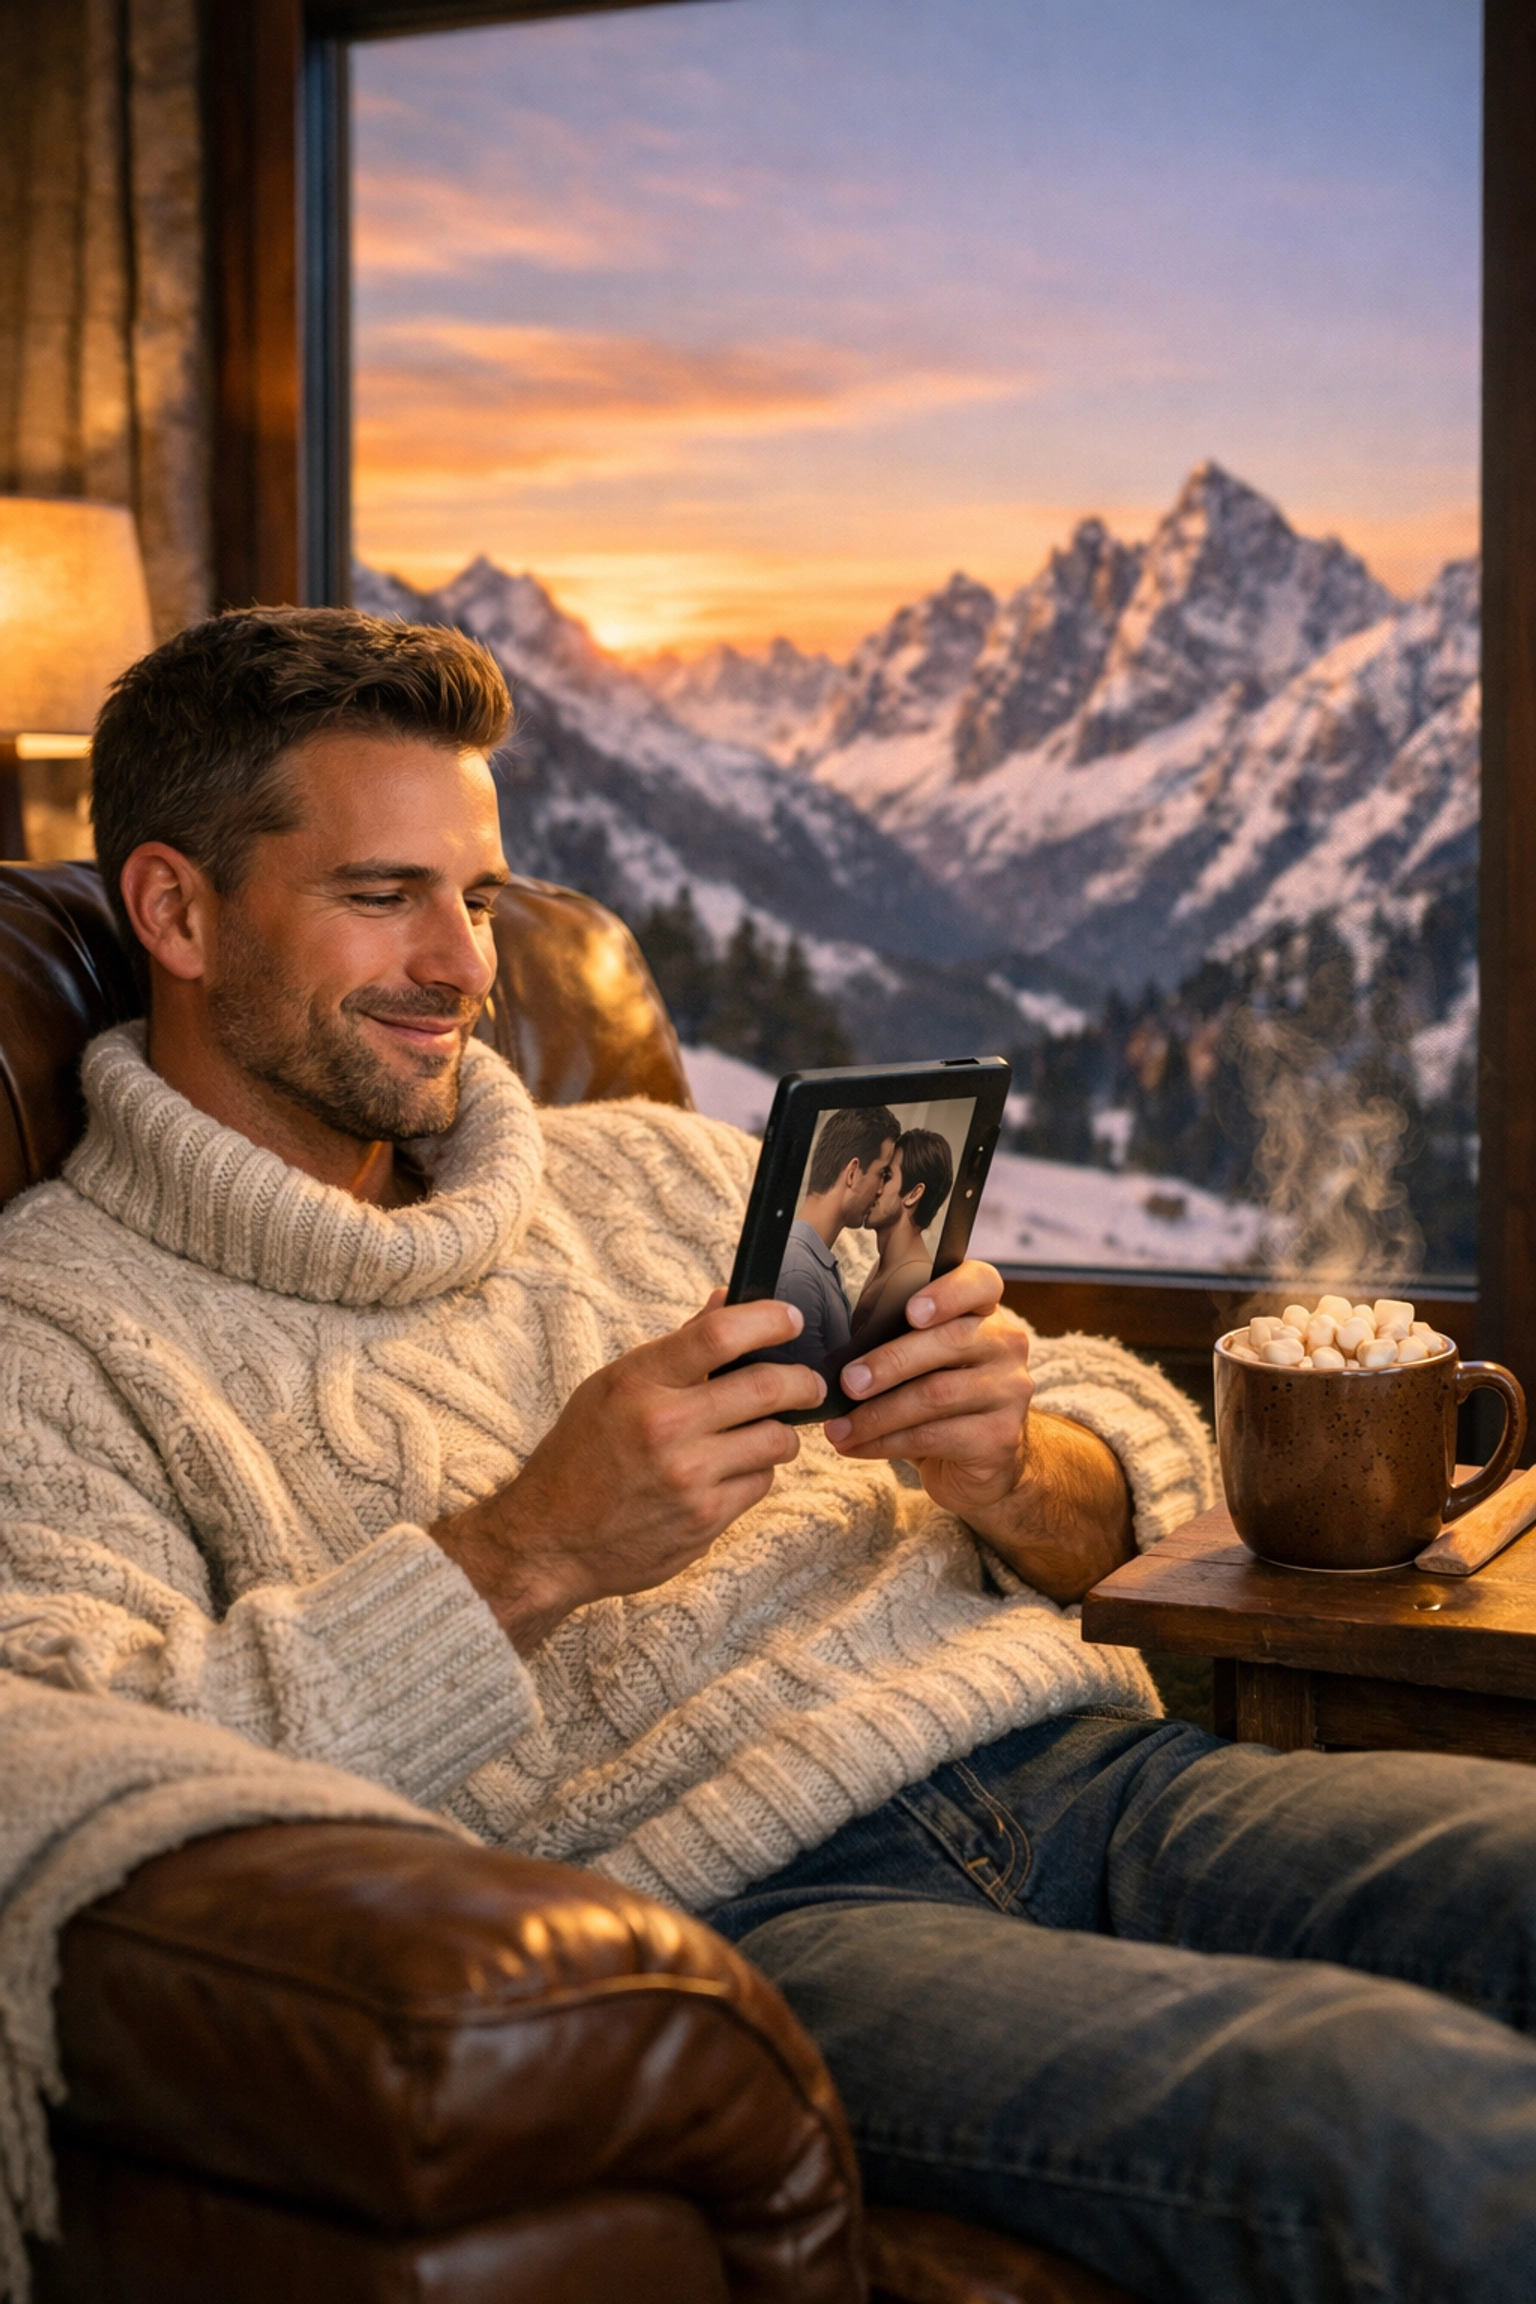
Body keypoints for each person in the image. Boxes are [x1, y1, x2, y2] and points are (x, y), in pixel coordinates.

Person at [0, 606, 1531, 2303]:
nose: (464, 963)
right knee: (1430, 2134)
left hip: (1089, 1772)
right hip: (754, 1917)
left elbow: (1120, 1423)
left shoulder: (651, 1162)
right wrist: (530, 1547)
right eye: (384, 895)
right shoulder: (58, 1333)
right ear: (173, 907)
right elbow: (78, 1767)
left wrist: (1015, 1463)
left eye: (480, 897)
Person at [770, 1104, 898, 1367]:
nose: (881, 1190)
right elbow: (814, 1395)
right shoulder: (798, 1271)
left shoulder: (813, 1263)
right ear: (852, 1173)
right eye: (882, 1174)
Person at [850, 1126, 953, 1351]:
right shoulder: (886, 1263)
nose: (873, 1188)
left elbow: (859, 1361)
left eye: (885, 1176)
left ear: (913, 1194)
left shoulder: (912, 1276)